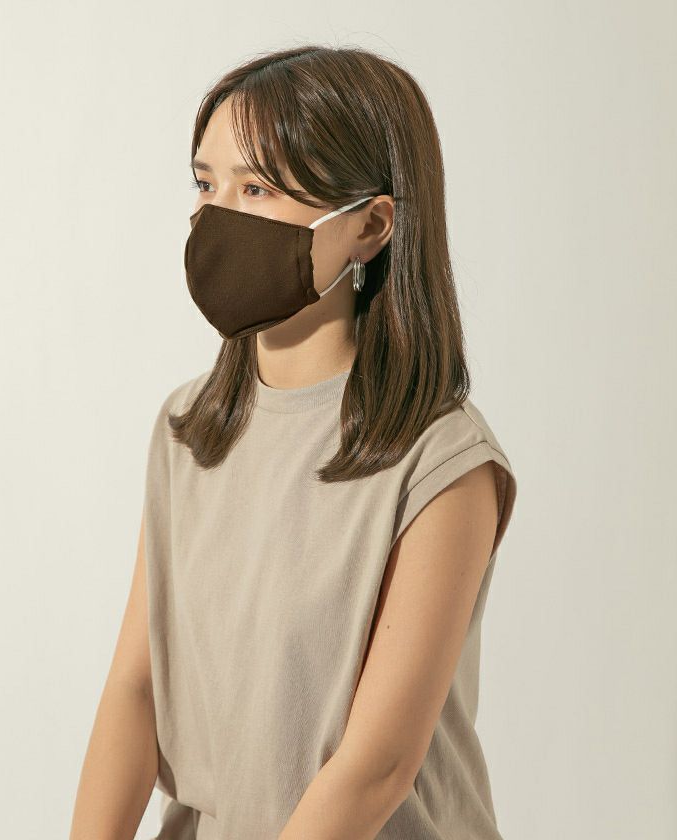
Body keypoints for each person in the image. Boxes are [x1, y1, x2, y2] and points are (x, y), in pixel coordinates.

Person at [70, 44, 518, 840]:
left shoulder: (441, 462)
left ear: (369, 227)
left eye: (258, 188)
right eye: (206, 184)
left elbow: (377, 766)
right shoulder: (187, 431)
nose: (218, 216)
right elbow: (136, 690)